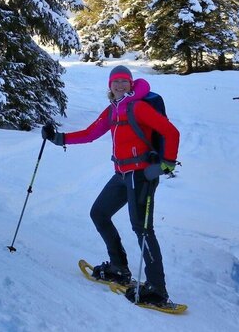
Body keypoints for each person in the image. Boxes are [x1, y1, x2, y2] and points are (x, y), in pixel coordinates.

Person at [42, 65, 179, 306]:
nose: (119, 85)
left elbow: (171, 132)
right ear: (109, 86)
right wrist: (58, 138)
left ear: (131, 83)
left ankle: (157, 289)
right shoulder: (113, 110)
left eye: (124, 81)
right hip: (122, 173)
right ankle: (119, 267)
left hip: (142, 174)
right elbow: (90, 133)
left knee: (143, 229)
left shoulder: (138, 107)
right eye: (115, 82)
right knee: (99, 213)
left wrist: (166, 164)